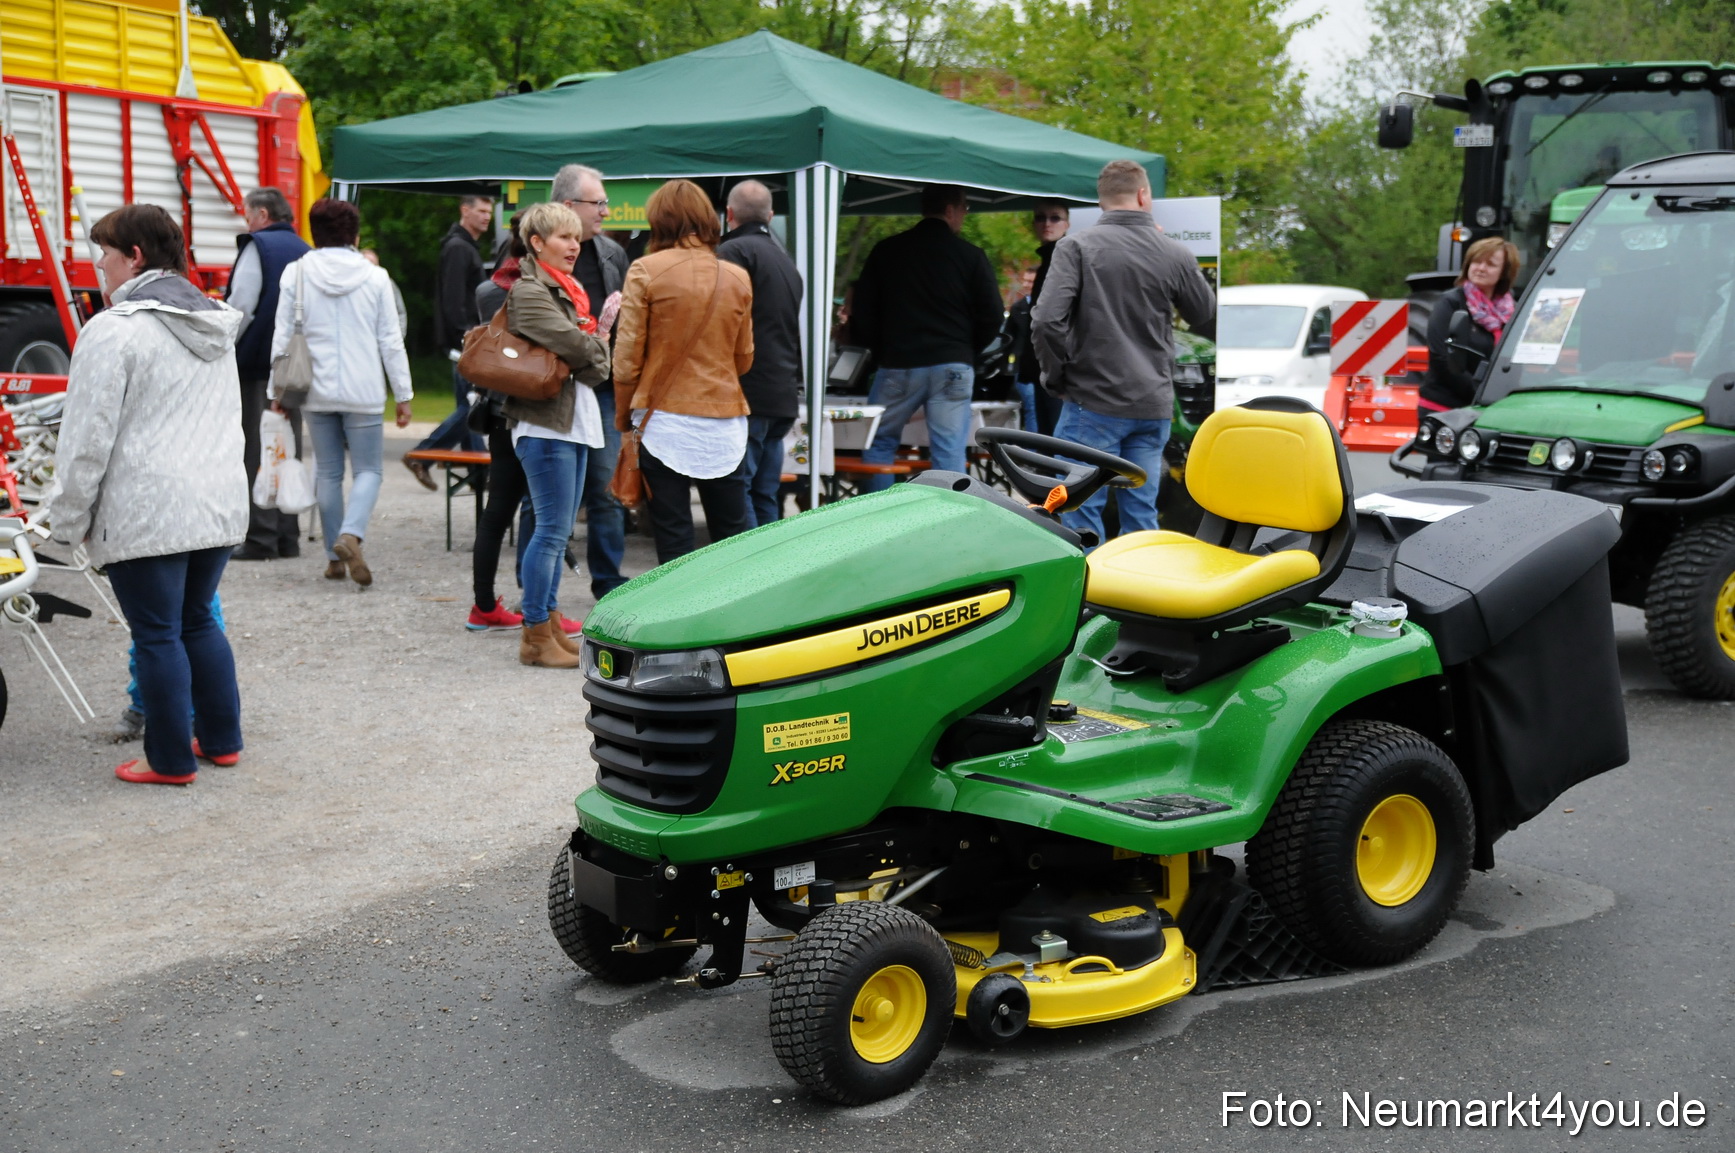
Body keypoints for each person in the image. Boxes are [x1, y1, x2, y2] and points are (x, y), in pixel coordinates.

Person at [50, 204, 248, 786]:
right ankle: (221, 740)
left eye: (104, 255)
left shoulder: (114, 330)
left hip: (147, 506)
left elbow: (85, 441)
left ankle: (168, 759)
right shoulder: (214, 320)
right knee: (196, 623)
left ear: (134, 256)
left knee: (159, 633)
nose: (99, 268)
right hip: (214, 501)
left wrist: (64, 523)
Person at [1032, 159, 1216, 545]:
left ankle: (1087, 598)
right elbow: (1206, 317)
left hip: (1092, 401)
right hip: (1152, 405)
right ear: (1143, 195)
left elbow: (1047, 320)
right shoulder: (1174, 252)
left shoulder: (1075, 247)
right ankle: (1140, 594)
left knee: (1080, 512)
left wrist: (1056, 376)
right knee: (1142, 510)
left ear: (1101, 202)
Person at [272, 199, 414, 588]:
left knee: (328, 472)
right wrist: (403, 392)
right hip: (363, 386)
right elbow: (390, 340)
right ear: (354, 235)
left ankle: (335, 558)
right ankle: (351, 533)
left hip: (312, 387)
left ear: (313, 233)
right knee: (369, 469)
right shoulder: (376, 277)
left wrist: (275, 390)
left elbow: (281, 335)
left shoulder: (295, 273)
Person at [613, 180, 754, 564]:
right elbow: (744, 359)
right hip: (725, 421)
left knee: (673, 538)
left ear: (659, 220)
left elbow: (626, 361)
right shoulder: (736, 277)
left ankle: (676, 620)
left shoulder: (645, 270)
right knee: (732, 538)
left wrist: (624, 417)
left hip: (663, 421)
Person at [505, 202, 612, 668]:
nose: (574, 245)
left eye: (576, 237)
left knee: (558, 532)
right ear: (536, 243)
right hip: (546, 425)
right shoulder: (530, 292)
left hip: (571, 421)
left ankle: (546, 622)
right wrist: (598, 340)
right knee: (549, 533)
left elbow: (591, 366)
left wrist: (592, 349)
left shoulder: (567, 292)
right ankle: (534, 635)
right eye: (563, 238)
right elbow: (579, 347)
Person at [848, 184, 1003, 490]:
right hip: (953, 364)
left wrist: (881, 351)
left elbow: (863, 314)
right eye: (964, 210)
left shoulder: (887, 251)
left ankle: (875, 523)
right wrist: (965, 349)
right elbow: (994, 314)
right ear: (950, 210)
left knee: (878, 444)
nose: (964, 217)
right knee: (949, 453)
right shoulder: (970, 256)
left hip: (899, 362)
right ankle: (945, 527)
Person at [552, 163, 632, 598]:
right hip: (549, 388)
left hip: (602, 387)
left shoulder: (611, 253)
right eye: (597, 203)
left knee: (606, 489)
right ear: (568, 206)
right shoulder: (534, 250)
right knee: (545, 496)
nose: (605, 210)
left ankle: (608, 584)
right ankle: (538, 598)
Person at [225, 186, 310, 561]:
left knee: (258, 448)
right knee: (288, 447)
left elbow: (242, 304)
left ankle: (261, 536)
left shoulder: (257, 247)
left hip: (259, 363)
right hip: (298, 367)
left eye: (247, 213)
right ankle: (287, 536)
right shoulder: (308, 251)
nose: (246, 221)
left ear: (260, 213)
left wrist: (225, 347)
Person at [719, 179, 803, 528]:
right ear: (770, 215)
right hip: (782, 393)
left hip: (747, 391)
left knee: (739, 490)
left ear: (729, 214)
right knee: (765, 493)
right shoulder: (787, 263)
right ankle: (772, 569)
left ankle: (750, 574)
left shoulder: (731, 255)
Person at [405, 194, 491, 487]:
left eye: (489, 211)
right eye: (480, 210)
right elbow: (454, 302)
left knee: (471, 407)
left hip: (464, 342)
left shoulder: (464, 247)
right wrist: (467, 338)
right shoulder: (458, 248)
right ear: (464, 211)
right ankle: (423, 454)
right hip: (464, 344)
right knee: (473, 408)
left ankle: (479, 473)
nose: (486, 216)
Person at [1421, 236, 1520, 412]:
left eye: (1490, 264)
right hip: (1445, 409)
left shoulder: (1512, 310)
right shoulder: (1450, 303)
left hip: (1490, 407)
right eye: (1476, 262)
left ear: (1504, 272)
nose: (1481, 268)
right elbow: (1441, 357)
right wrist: (1480, 392)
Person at [1009, 201, 1070, 435]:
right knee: (1047, 437)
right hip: (1044, 366)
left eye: (1055, 218)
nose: (1047, 223)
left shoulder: (1064, 258)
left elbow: (1053, 318)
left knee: (1058, 441)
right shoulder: (1049, 258)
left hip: (1057, 368)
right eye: (1040, 217)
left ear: (1066, 223)